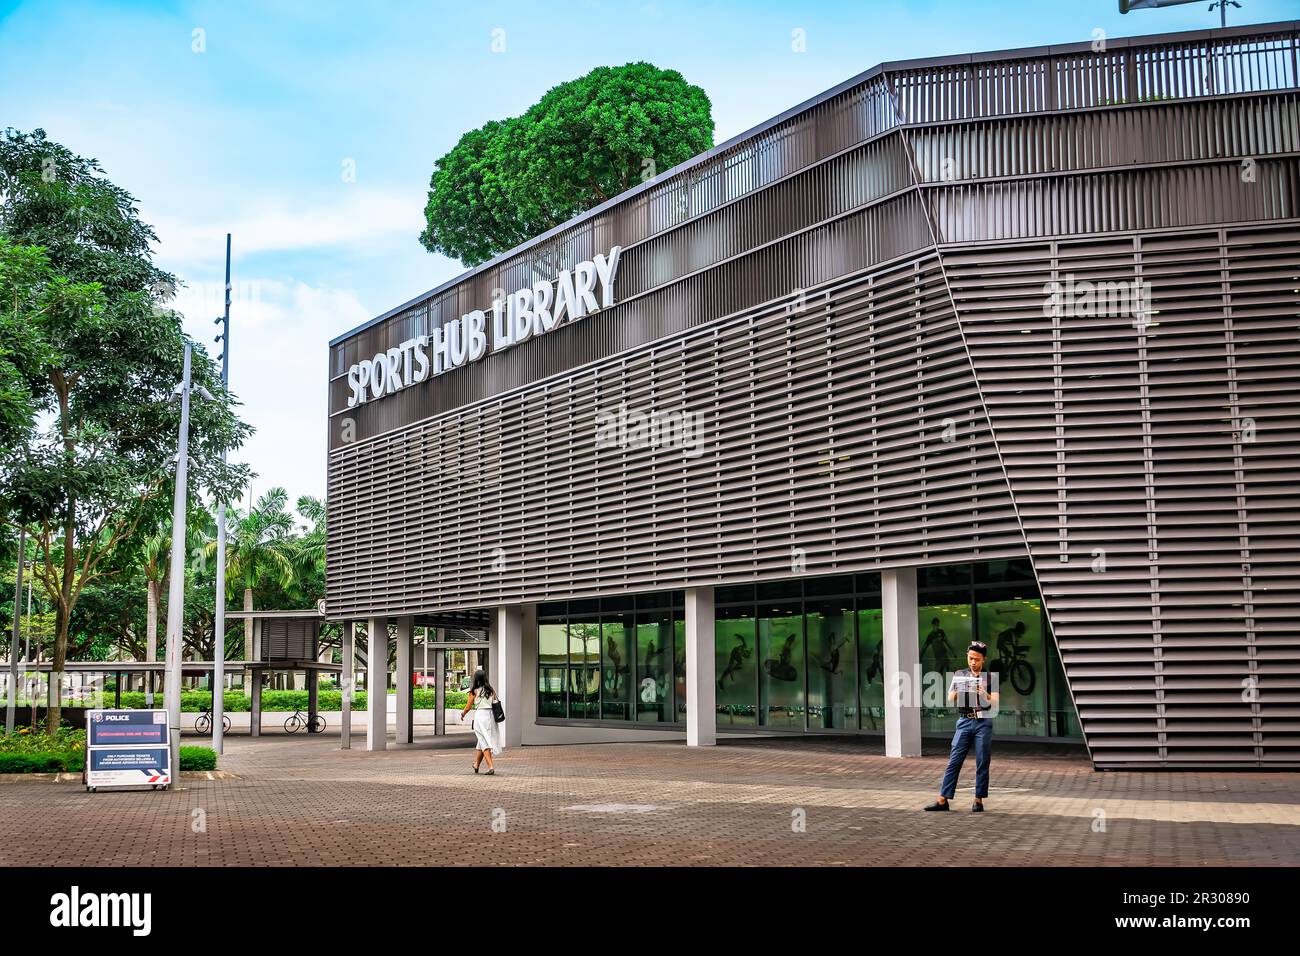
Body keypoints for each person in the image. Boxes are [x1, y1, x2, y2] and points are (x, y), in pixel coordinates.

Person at [924, 641, 999, 812]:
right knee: (954, 760)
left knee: (982, 761)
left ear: (983, 660)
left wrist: (983, 692)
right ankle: (943, 800)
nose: (973, 662)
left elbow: (995, 702)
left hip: (984, 721)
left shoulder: (990, 678)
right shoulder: (960, 674)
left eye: (977, 659)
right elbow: (951, 698)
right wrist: (961, 687)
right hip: (964, 721)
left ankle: (978, 800)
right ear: (967, 657)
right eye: (971, 658)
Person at [459, 669, 502, 775]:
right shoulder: (490, 690)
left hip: (480, 716)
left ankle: (491, 767)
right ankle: (476, 765)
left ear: (476, 679)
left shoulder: (474, 691)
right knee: (481, 741)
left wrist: (463, 713)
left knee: (484, 742)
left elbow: (469, 706)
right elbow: (495, 701)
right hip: (490, 716)